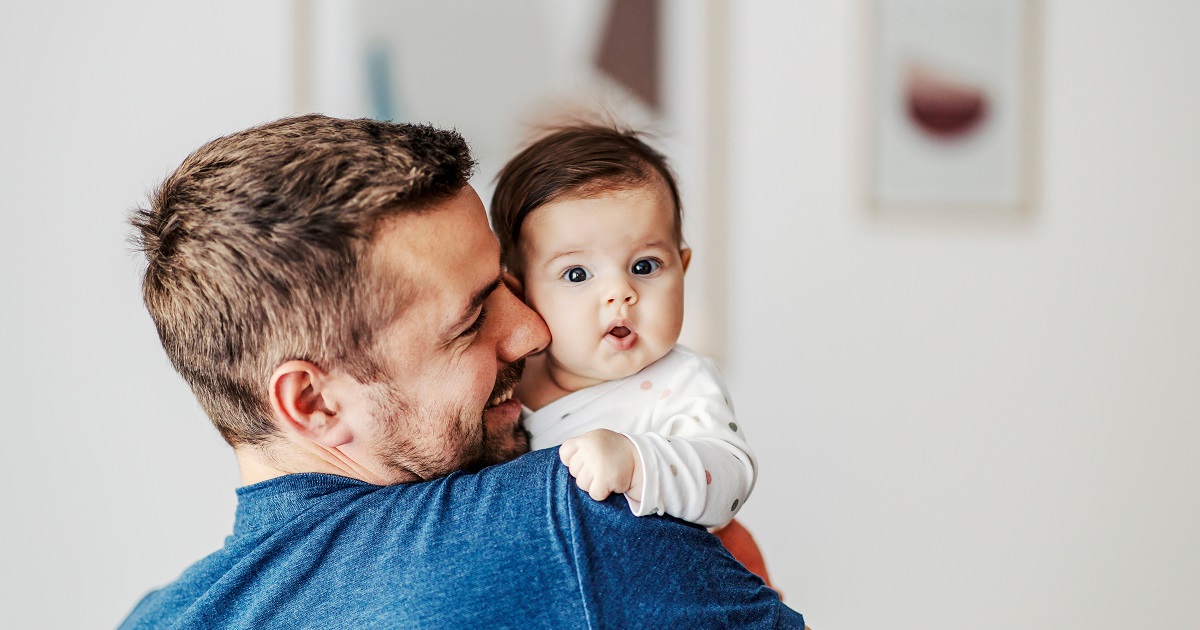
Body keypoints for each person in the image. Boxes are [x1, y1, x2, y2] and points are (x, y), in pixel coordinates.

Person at [119, 114, 805, 628]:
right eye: (473, 320)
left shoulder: (153, 620)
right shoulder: (574, 519)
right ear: (314, 402)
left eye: (511, 287)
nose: (533, 331)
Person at [490, 122, 770, 579]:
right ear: (521, 295)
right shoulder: (509, 381)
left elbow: (730, 479)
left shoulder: (680, 381)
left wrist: (636, 461)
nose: (620, 293)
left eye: (644, 266)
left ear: (683, 269)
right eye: (577, 274)